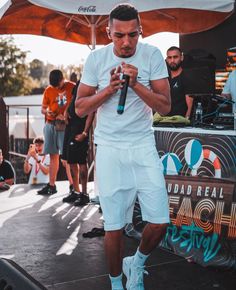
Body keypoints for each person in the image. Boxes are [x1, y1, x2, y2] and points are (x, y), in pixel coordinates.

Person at [75, 4, 171, 290]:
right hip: (109, 148)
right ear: (109, 33)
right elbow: (80, 108)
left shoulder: (152, 55)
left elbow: (165, 107)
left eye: (132, 34)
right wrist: (110, 88)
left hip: (142, 144)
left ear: (140, 31)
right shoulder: (96, 59)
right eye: (119, 35)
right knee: (114, 227)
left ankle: (137, 263)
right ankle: (117, 284)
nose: (126, 42)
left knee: (160, 221)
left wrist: (137, 84)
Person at [37, 69, 74, 195]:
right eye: (55, 86)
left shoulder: (72, 87)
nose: (57, 88)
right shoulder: (48, 90)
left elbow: (77, 104)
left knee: (67, 157)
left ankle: (73, 186)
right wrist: (48, 112)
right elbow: (42, 109)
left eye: (58, 85)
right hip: (50, 124)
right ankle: (52, 186)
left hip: (65, 125)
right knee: (53, 155)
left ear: (63, 79)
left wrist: (66, 114)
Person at [62, 73, 95, 205]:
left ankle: (84, 194)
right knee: (70, 161)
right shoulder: (79, 84)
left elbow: (92, 112)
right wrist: (66, 111)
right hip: (70, 128)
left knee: (81, 162)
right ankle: (75, 191)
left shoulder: (91, 87)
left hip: (80, 130)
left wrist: (85, 132)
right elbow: (73, 99)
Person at [166, 46, 193, 118]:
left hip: (179, 122)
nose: (172, 60)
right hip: (163, 121)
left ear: (181, 58)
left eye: (175, 57)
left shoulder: (187, 77)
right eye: (169, 57)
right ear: (166, 59)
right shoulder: (163, 78)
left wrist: (187, 121)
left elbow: (190, 105)